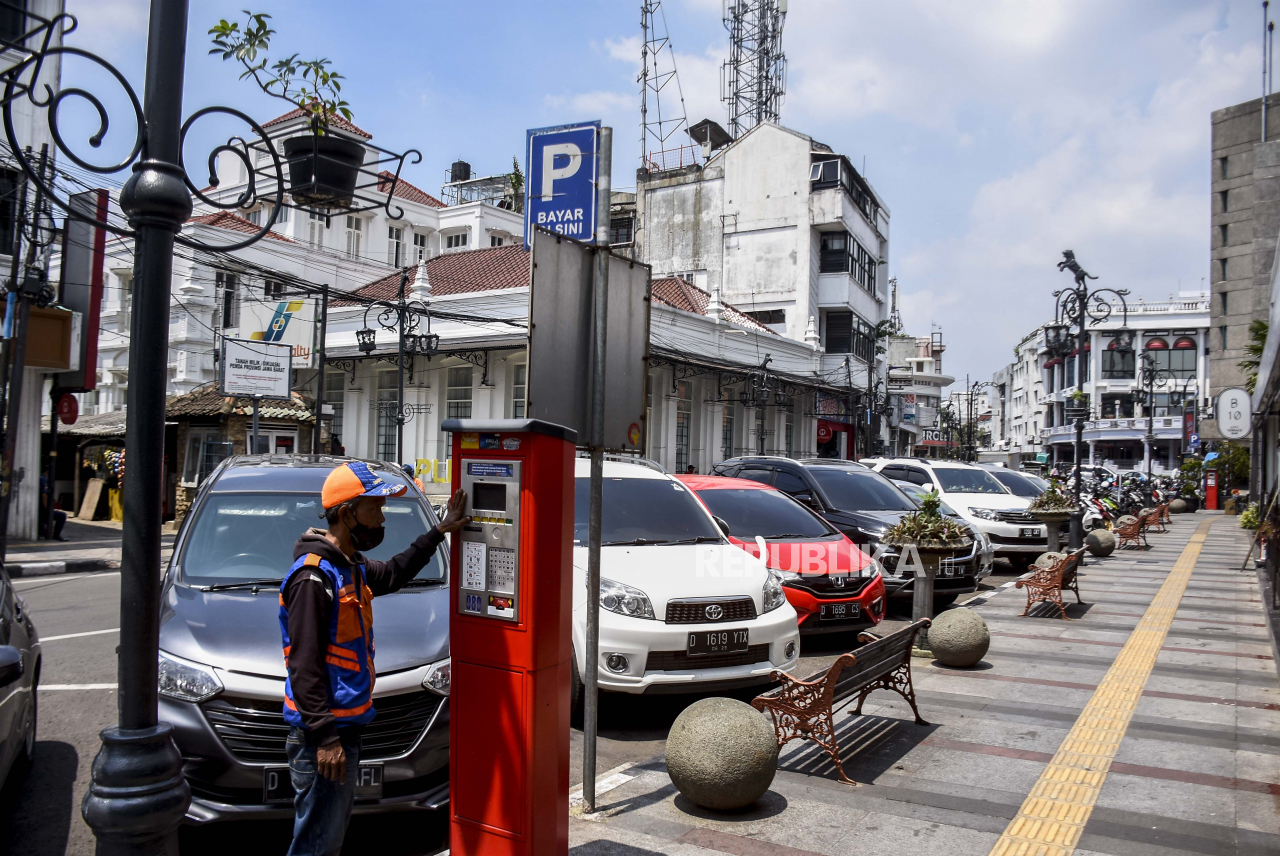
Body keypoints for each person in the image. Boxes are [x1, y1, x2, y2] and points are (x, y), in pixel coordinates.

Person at [279, 462, 469, 856]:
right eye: (375, 509)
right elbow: (304, 665)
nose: (381, 519)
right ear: (347, 513)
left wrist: (438, 532)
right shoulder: (314, 578)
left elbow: (394, 573)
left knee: (325, 837)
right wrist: (325, 737)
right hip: (323, 739)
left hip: (343, 731)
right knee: (317, 843)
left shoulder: (349, 567)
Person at [39, 473, 66, 541]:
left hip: (39, 509)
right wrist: (47, 509)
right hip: (42, 510)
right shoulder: (43, 479)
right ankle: (56, 535)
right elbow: (44, 495)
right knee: (62, 515)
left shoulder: (39, 478)